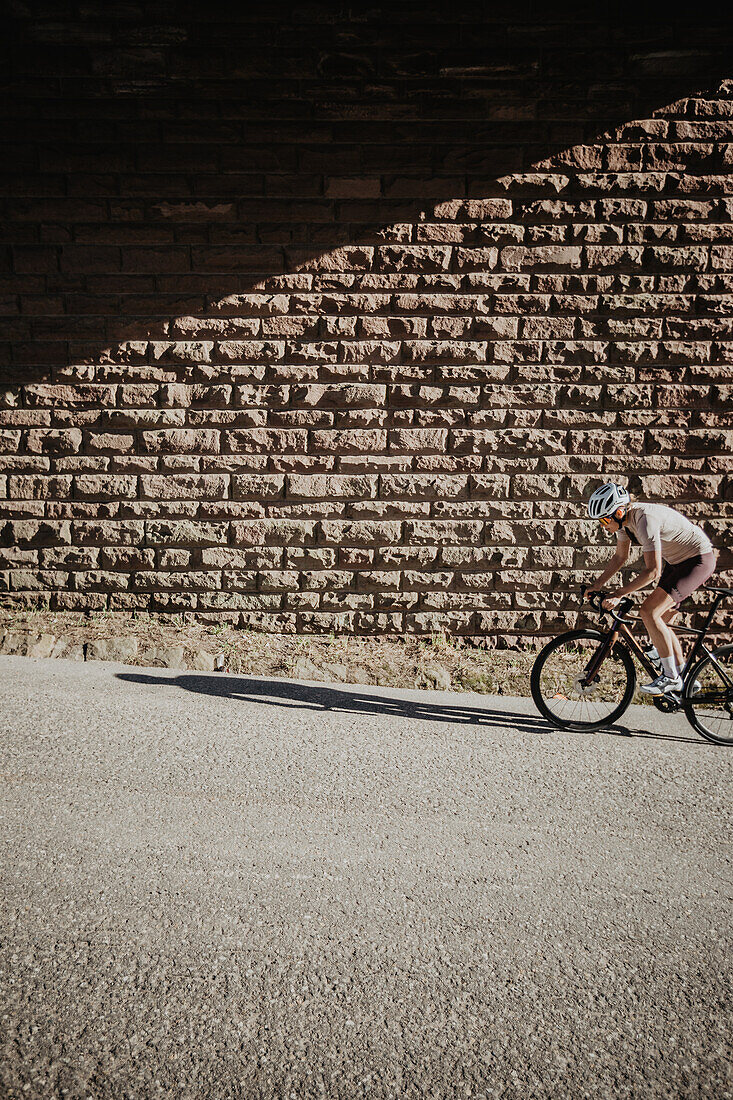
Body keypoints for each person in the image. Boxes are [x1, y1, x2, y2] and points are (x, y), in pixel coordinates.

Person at [585, 482, 717, 695]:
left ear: (618, 512)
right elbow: (620, 557)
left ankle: (671, 678)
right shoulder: (624, 523)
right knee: (662, 621)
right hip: (677, 563)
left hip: (697, 561)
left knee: (648, 611)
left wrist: (619, 594)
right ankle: (684, 677)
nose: (602, 526)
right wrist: (597, 585)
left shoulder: (644, 519)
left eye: (603, 519)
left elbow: (653, 571)